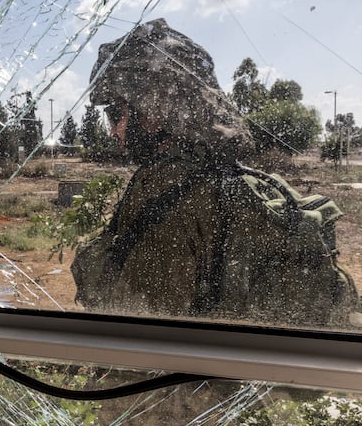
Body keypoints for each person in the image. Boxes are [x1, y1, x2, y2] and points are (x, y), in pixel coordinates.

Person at [71, 19, 357, 327]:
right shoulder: (240, 179)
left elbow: (140, 333)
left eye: (116, 113)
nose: (113, 130)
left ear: (155, 107)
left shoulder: (166, 191)